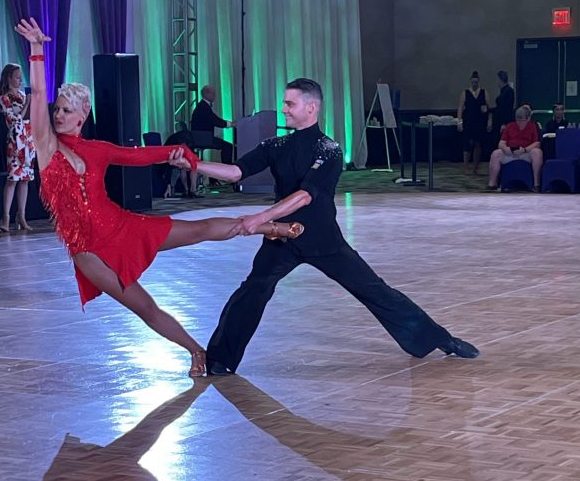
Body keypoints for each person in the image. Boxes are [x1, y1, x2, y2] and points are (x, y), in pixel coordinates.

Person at [14, 18, 304, 378]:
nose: (58, 115)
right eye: (57, 109)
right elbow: (37, 98)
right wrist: (37, 51)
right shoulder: (46, 147)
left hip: (123, 227)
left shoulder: (98, 149)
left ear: (83, 115)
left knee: (196, 230)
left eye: (66, 110)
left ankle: (267, 226)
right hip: (89, 252)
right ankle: (195, 349)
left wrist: (178, 153)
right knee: (145, 307)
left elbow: (137, 156)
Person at [170, 78, 479, 376]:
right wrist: (194, 164)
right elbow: (237, 172)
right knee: (253, 290)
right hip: (281, 239)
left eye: (290, 104)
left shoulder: (329, 149)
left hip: (322, 239)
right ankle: (220, 360)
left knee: (374, 290)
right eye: (284, 104)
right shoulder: (276, 144)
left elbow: (305, 196)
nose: (284, 109)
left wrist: (260, 218)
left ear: (311, 107)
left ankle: (439, 338)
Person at [0, 63, 36, 232]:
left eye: (21, 77)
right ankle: (5, 217)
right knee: (13, 179)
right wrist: (27, 104)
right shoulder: (4, 98)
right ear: (9, 78)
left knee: (25, 180)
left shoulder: (21, 95)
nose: (20, 80)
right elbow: (14, 120)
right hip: (15, 141)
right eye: (17, 77)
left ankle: (22, 215)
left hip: (27, 139)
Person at [486, 105, 542, 191]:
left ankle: (536, 184)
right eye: (518, 120)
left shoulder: (533, 126)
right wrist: (505, 149)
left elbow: (537, 143)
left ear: (528, 119)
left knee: (537, 153)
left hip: (525, 153)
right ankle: (492, 184)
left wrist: (525, 150)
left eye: (522, 121)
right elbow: (501, 143)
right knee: (495, 154)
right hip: (510, 153)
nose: (520, 123)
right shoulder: (509, 126)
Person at [457, 71, 492, 175]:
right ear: (470, 82)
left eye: (476, 82)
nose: (474, 84)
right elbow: (460, 107)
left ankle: (476, 167)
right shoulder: (465, 93)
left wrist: (489, 120)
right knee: (467, 144)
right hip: (468, 122)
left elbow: (489, 108)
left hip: (480, 123)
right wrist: (459, 121)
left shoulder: (484, 93)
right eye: (472, 82)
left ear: (479, 82)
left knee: (478, 144)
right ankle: (466, 167)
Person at [191, 85, 235, 165]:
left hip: (201, 137)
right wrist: (230, 124)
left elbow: (214, 119)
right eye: (213, 93)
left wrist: (229, 123)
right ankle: (227, 171)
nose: (215, 95)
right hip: (203, 138)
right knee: (228, 146)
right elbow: (215, 120)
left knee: (227, 146)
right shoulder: (203, 107)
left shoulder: (202, 105)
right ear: (206, 94)